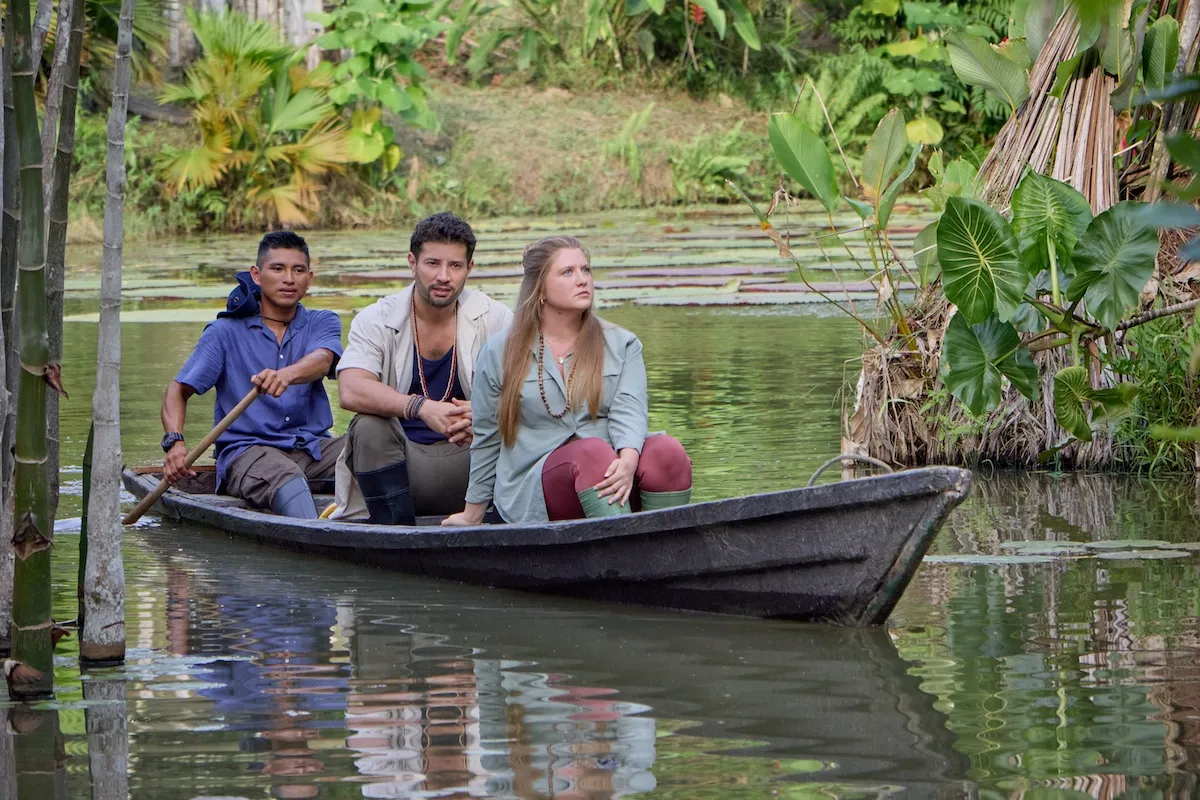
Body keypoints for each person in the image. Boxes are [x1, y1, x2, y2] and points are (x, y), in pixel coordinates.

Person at [442, 235, 692, 526]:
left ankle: (665, 550)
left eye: (585, 270)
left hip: (615, 473)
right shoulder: (500, 351)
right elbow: (487, 437)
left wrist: (628, 460)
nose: (582, 280)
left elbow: (630, 411)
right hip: (540, 482)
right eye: (567, 272)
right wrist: (472, 513)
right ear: (541, 290)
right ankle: (621, 558)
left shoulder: (622, 344)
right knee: (591, 454)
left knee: (667, 451)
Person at [331, 212, 513, 524]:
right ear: (413, 263)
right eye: (433, 264)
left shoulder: (496, 318)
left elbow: (532, 393)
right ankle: (396, 535)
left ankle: (495, 524)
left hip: (476, 465)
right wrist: (420, 407)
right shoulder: (376, 318)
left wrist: (487, 413)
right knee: (368, 427)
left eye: (455, 266)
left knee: (518, 421)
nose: (444, 276)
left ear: (469, 268)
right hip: (404, 465)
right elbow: (350, 389)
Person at [160, 231, 344, 519]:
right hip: (248, 453)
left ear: (310, 278)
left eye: (298, 270)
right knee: (285, 475)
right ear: (256, 275)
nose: (289, 279)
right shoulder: (224, 333)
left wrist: (286, 375)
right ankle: (318, 540)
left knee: (376, 448)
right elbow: (177, 390)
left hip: (313, 450)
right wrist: (175, 443)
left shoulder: (322, 321)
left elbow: (324, 359)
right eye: (278, 269)